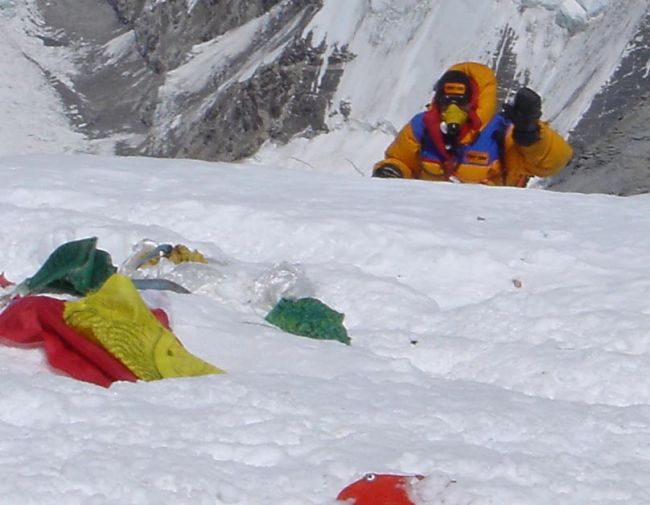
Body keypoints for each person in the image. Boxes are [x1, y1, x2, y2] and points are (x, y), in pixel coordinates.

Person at [372, 61, 573, 187]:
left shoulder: (502, 133)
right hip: (428, 228)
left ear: (476, 102)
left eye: (460, 101)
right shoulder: (422, 127)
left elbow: (554, 163)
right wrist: (392, 170)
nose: (452, 109)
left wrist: (530, 135)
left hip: (486, 231)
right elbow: (401, 161)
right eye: (446, 101)